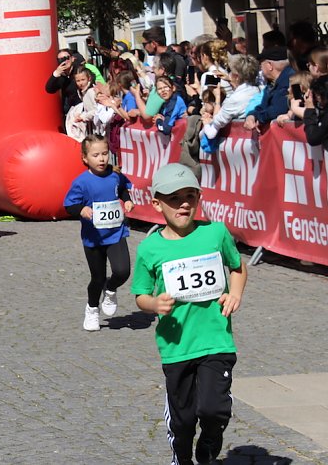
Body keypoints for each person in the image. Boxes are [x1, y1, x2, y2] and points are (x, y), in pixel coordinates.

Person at [131, 163, 247, 465]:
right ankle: (181, 458)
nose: (183, 203)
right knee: (182, 421)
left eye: (190, 196)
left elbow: (237, 266)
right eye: (173, 198)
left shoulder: (215, 233)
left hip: (216, 340)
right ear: (156, 203)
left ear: (199, 198)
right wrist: (154, 305)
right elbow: (140, 294)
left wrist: (235, 294)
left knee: (213, 409)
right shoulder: (150, 249)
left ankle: (210, 442)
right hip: (176, 347)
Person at [63, 135, 134, 331]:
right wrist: (81, 210)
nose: (101, 159)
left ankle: (111, 289)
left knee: (123, 271)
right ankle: (92, 308)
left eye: (104, 154)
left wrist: (127, 200)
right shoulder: (81, 182)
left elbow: (122, 189)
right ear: (85, 158)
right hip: (93, 238)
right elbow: (69, 204)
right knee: (97, 278)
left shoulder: (114, 175)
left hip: (116, 232)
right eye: (95, 155)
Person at [201, 54, 262, 141]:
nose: (228, 74)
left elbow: (211, 133)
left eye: (230, 71)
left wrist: (206, 123)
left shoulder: (235, 99)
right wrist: (230, 80)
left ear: (236, 76)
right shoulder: (257, 90)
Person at [244, 46, 294, 130]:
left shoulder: (289, 81)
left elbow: (278, 109)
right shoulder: (272, 84)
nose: (260, 69)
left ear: (269, 65)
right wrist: (252, 115)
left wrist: (259, 117)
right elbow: (262, 106)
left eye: (261, 65)